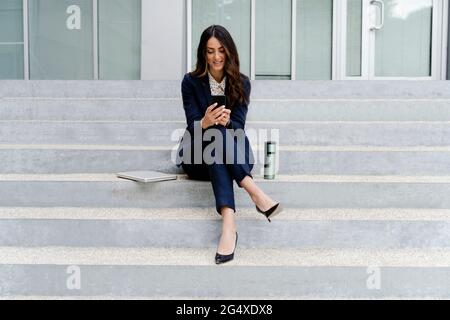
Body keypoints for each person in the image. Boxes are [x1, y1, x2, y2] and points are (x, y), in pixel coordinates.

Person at [177, 25, 282, 264]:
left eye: (221, 50)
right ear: (203, 54)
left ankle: (228, 226)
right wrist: (204, 122)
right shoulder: (191, 82)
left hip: (229, 152)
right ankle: (255, 193)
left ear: (229, 51)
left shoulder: (241, 83)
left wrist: (227, 124)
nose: (216, 57)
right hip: (197, 157)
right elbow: (191, 126)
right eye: (210, 51)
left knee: (219, 134)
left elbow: (239, 126)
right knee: (211, 132)